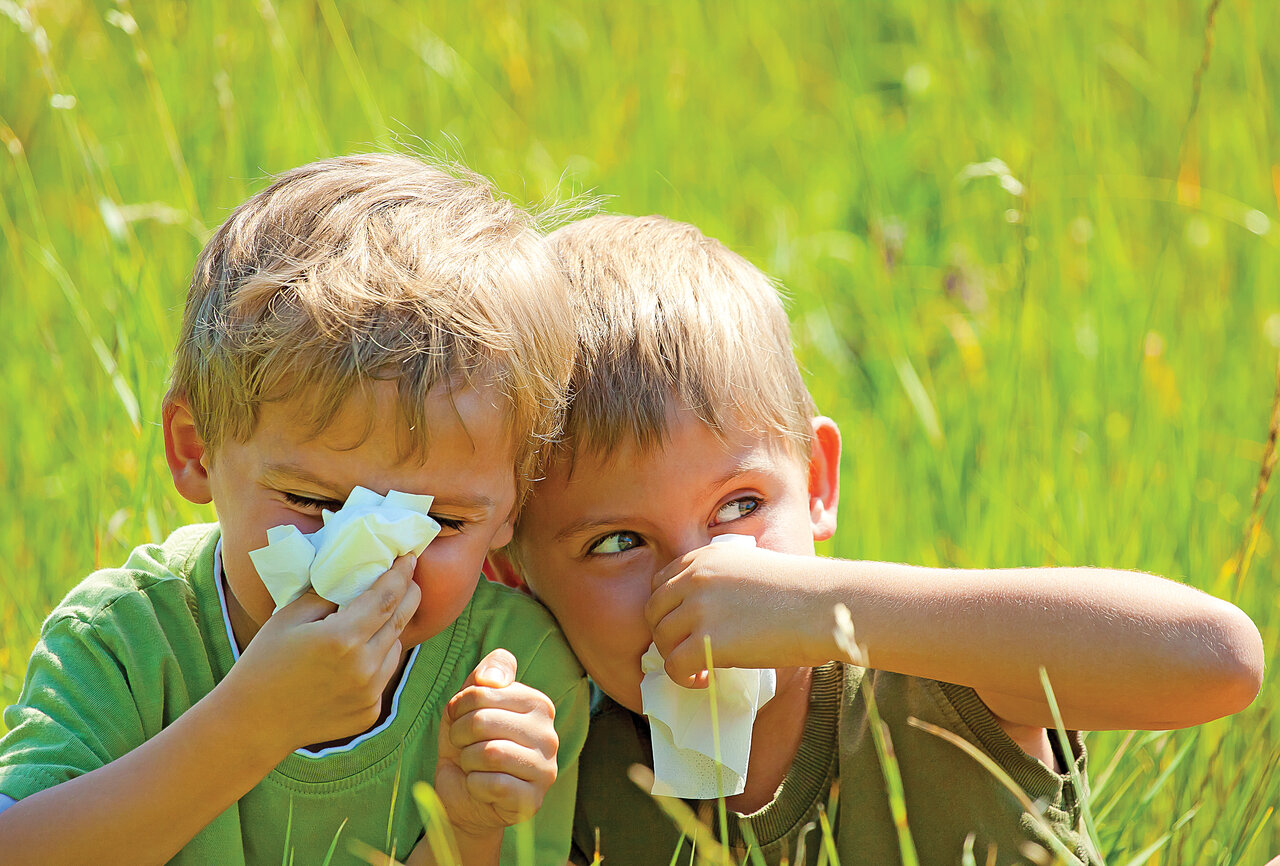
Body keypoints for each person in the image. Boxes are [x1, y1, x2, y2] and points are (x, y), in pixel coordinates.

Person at [497, 214, 1265, 865]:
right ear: (515, 574)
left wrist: (824, 613)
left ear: (819, 484)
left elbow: (1220, 661)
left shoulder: (934, 674)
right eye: (617, 542)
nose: (696, 576)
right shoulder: (561, 776)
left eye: (740, 506)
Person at [0, 154, 589, 866]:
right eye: (311, 501)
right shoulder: (127, 642)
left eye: (439, 522)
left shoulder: (513, 678)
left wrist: (467, 831)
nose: (373, 561)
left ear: (512, 509)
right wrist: (254, 722)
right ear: (197, 450)